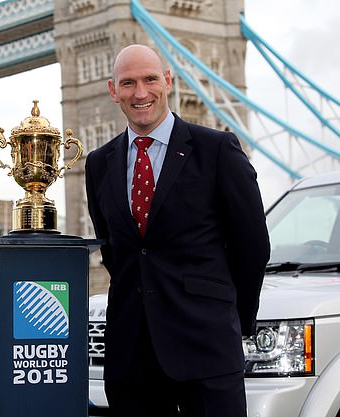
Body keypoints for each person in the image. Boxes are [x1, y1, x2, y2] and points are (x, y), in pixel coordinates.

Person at [85, 44, 270, 417]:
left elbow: (252, 246)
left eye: (150, 79)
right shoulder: (98, 163)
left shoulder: (216, 149)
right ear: (112, 90)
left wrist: (231, 319)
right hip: (131, 358)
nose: (140, 93)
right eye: (128, 83)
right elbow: (116, 253)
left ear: (167, 81)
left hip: (208, 350)